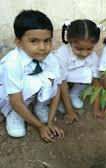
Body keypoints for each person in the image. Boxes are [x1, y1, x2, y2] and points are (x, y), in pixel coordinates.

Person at [0, 10, 64, 142]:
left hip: (25, 94)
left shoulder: (51, 58)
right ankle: (13, 113)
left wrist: (50, 122)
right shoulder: (12, 62)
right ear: (19, 43)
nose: (42, 47)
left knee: (51, 80)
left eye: (47, 41)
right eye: (34, 41)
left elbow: (57, 88)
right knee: (35, 83)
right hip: (9, 97)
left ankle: (39, 106)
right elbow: (15, 99)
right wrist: (40, 127)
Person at [54, 19, 102, 124]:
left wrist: (96, 108)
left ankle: (74, 94)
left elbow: (96, 82)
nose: (84, 54)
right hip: (60, 83)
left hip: (73, 79)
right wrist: (69, 111)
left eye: (89, 49)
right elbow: (61, 83)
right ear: (70, 41)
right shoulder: (61, 55)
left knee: (89, 74)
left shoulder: (93, 57)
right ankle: (61, 101)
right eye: (79, 49)